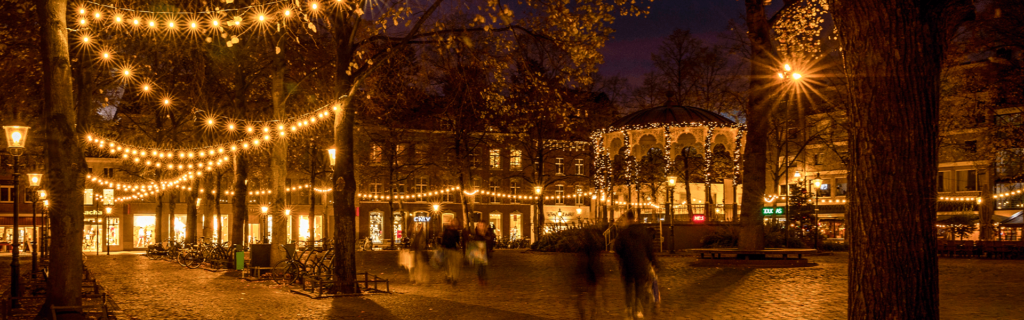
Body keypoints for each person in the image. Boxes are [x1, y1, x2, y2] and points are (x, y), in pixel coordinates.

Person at [614, 210, 658, 319]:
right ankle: (638, 310)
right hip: (641, 265)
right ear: (635, 218)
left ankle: (629, 308)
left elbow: (617, 249)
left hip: (627, 265)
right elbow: (649, 250)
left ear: (627, 219)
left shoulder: (623, 232)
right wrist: (654, 263)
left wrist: (621, 260)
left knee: (628, 287)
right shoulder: (644, 232)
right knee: (640, 288)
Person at [574, 227, 605, 320]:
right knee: (592, 297)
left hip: (584, 273)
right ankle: (592, 315)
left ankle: (583, 316)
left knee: (581, 298)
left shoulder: (581, 246)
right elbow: (597, 261)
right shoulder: (596, 246)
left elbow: (580, 260)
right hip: (592, 274)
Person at [440, 220, 462, 285]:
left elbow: (457, 241)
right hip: (448, 249)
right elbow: (444, 239)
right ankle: (450, 277)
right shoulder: (449, 231)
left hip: (452, 249)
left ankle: (452, 277)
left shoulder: (454, 232)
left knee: (452, 264)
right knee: (448, 264)